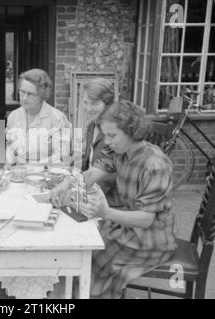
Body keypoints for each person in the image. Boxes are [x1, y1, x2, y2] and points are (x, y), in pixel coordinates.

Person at [74, 100, 176, 298]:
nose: (107, 141)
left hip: (151, 239)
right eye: (105, 135)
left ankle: (88, 293)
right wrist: (67, 184)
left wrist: (105, 212)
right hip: (128, 227)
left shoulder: (155, 164)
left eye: (112, 135)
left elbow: (146, 220)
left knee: (90, 253)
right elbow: (92, 174)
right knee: (86, 243)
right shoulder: (120, 151)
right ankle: (86, 291)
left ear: (132, 131)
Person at [50, 78, 118, 207]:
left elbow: (102, 173)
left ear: (108, 104)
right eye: (86, 103)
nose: (88, 108)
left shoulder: (113, 133)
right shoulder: (93, 125)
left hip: (107, 199)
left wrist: (71, 186)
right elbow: (88, 160)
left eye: (95, 104)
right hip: (89, 189)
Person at [6, 68, 71, 165]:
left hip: (46, 174)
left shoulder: (57, 118)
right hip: (18, 174)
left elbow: (61, 155)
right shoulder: (13, 116)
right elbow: (10, 147)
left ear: (42, 95)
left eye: (30, 94)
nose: (24, 98)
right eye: (22, 92)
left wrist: (33, 167)